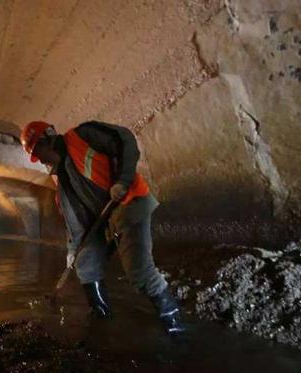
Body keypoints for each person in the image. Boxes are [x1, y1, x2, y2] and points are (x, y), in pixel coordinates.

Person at [20, 120, 184, 334]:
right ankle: (101, 317)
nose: (39, 159)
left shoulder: (82, 136)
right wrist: (73, 252)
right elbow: (76, 224)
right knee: (85, 264)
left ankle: (175, 327)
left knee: (139, 271)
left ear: (47, 139)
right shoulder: (63, 182)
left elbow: (124, 139)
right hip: (105, 220)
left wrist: (122, 181)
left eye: (37, 152)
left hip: (129, 202)